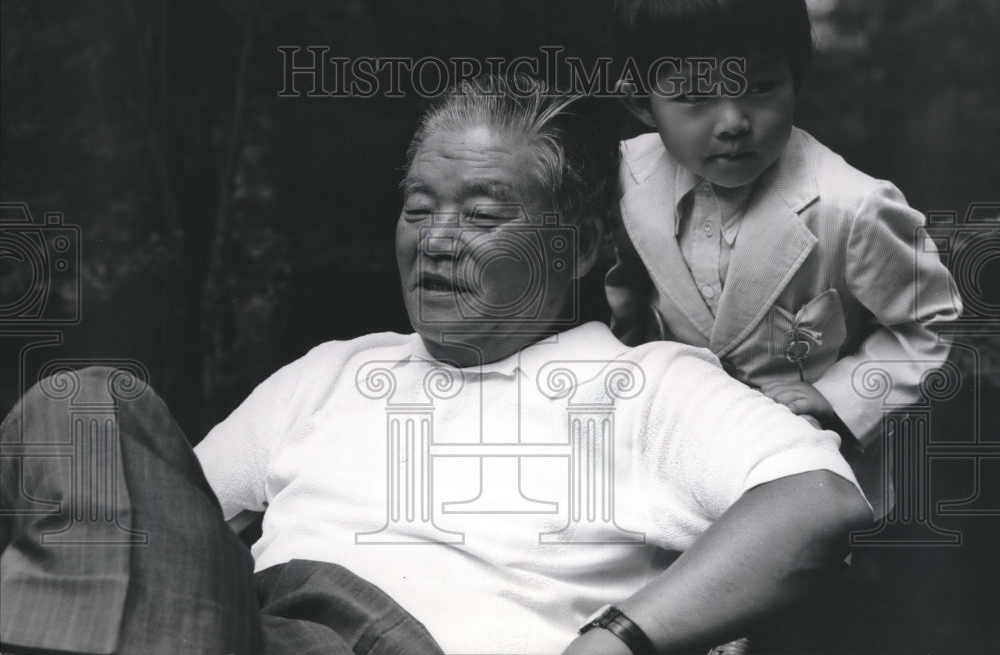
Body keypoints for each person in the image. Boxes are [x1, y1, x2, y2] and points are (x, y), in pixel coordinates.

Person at [1, 75, 871, 655]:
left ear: (577, 249)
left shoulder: (644, 386)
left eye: (483, 215)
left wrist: (614, 642)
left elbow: (818, 504)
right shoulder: (332, 373)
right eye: (419, 209)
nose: (437, 242)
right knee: (86, 409)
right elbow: (145, 539)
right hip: (258, 632)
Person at [605, 0, 963, 519]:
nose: (732, 121)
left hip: (807, 471)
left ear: (797, 78)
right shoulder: (628, 175)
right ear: (641, 103)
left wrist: (836, 398)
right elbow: (626, 292)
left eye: (759, 87)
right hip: (675, 458)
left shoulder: (853, 205)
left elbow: (928, 323)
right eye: (694, 95)